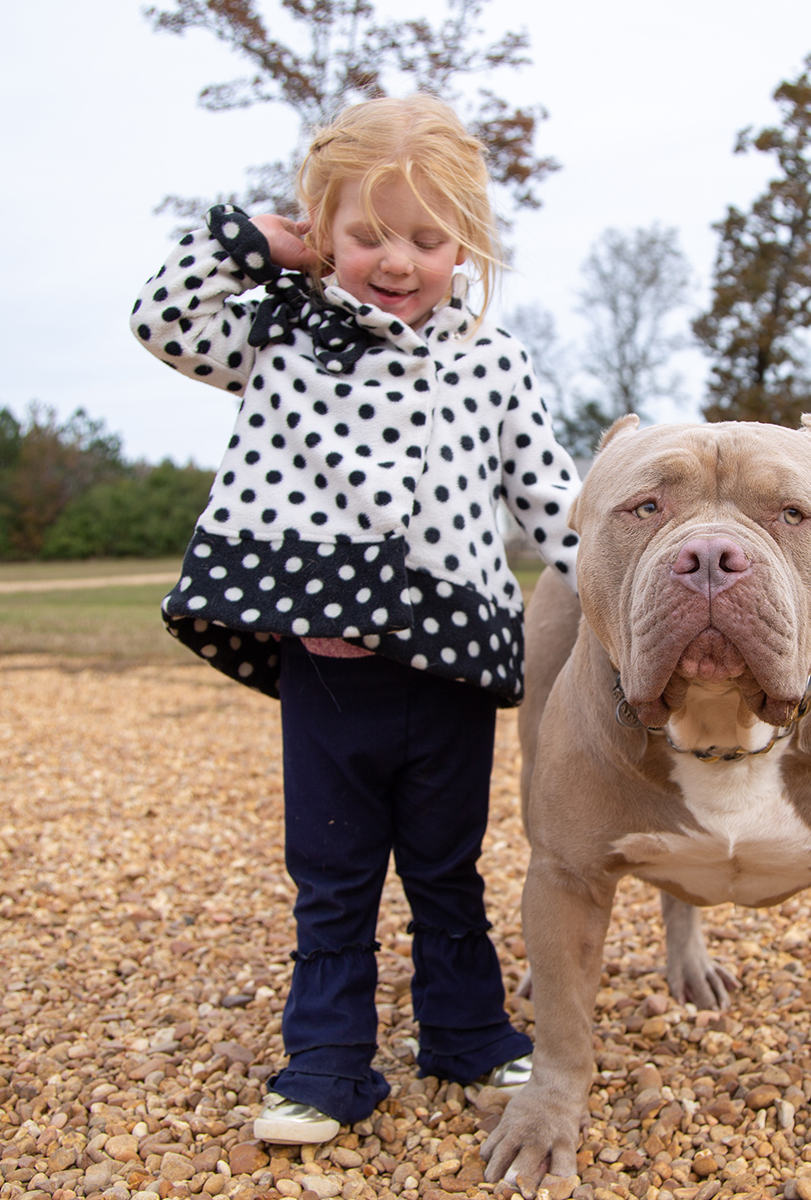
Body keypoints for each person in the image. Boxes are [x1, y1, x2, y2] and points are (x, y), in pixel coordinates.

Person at [130, 93, 580, 1144]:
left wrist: (620, 581)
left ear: (463, 244)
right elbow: (163, 321)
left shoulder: (492, 358)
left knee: (445, 867)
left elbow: (552, 499)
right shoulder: (280, 332)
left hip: (451, 668)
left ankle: (466, 1034)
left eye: (426, 238)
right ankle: (326, 1064)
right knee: (332, 876)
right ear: (322, 232)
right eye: (366, 233)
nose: (396, 259)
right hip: (329, 673)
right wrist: (253, 243)